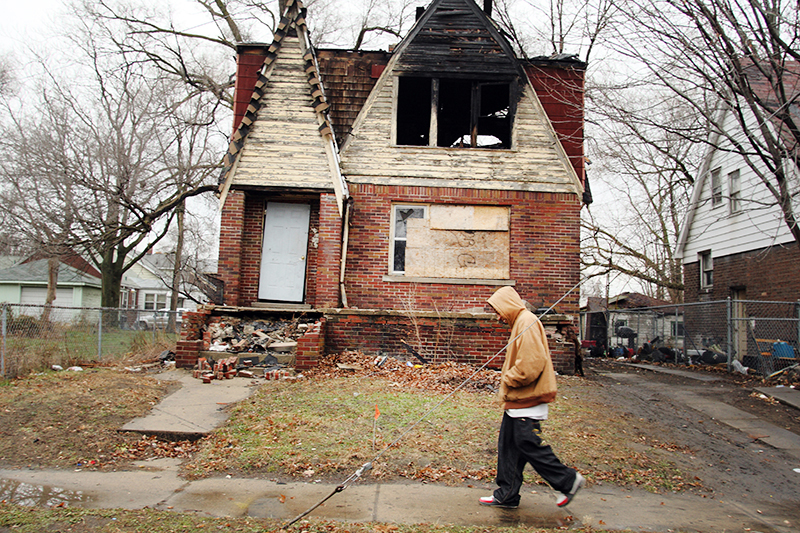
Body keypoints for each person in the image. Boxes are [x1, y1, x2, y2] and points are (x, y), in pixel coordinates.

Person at [479, 286, 585, 509]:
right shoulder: (520, 321)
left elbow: (531, 365)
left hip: (527, 401)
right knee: (509, 447)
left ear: (508, 305)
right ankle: (506, 495)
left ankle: (568, 481)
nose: (498, 317)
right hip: (517, 403)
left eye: (498, 310)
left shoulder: (526, 322)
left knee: (529, 444)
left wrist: (508, 379)